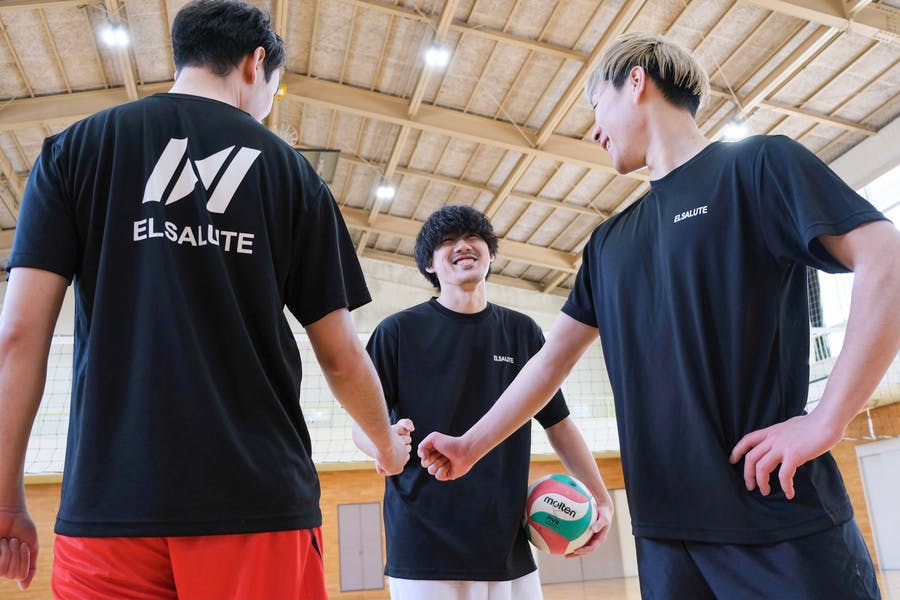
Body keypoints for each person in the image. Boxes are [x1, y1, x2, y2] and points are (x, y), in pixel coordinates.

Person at [418, 33, 900, 599]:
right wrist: (471, 445)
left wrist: (826, 421)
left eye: (596, 105)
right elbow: (549, 365)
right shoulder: (607, 243)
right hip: (664, 540)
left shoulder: (759, 166)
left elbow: (886, 259)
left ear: (636, 81)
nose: (594, 130)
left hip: (776, 518)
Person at [0, 1, 410, 597]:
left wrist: (6, 497)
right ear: (255, 63)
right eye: (274, 87)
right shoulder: (293, 175)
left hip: (109, 504)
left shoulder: (74, 150)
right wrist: (386, 446)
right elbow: (341, 355)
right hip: (257, 502)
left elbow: (17, 339)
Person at [351, 205, 614, 600]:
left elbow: (559, 425)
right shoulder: (397, 331)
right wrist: (382, 444)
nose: (462, 245)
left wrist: (602, 499)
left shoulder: (522, 332)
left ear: (490, 253)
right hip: (424, 547)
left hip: (507, 546)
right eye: (447, 241)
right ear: (429, 264)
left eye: (473, 237)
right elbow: (360, 425)